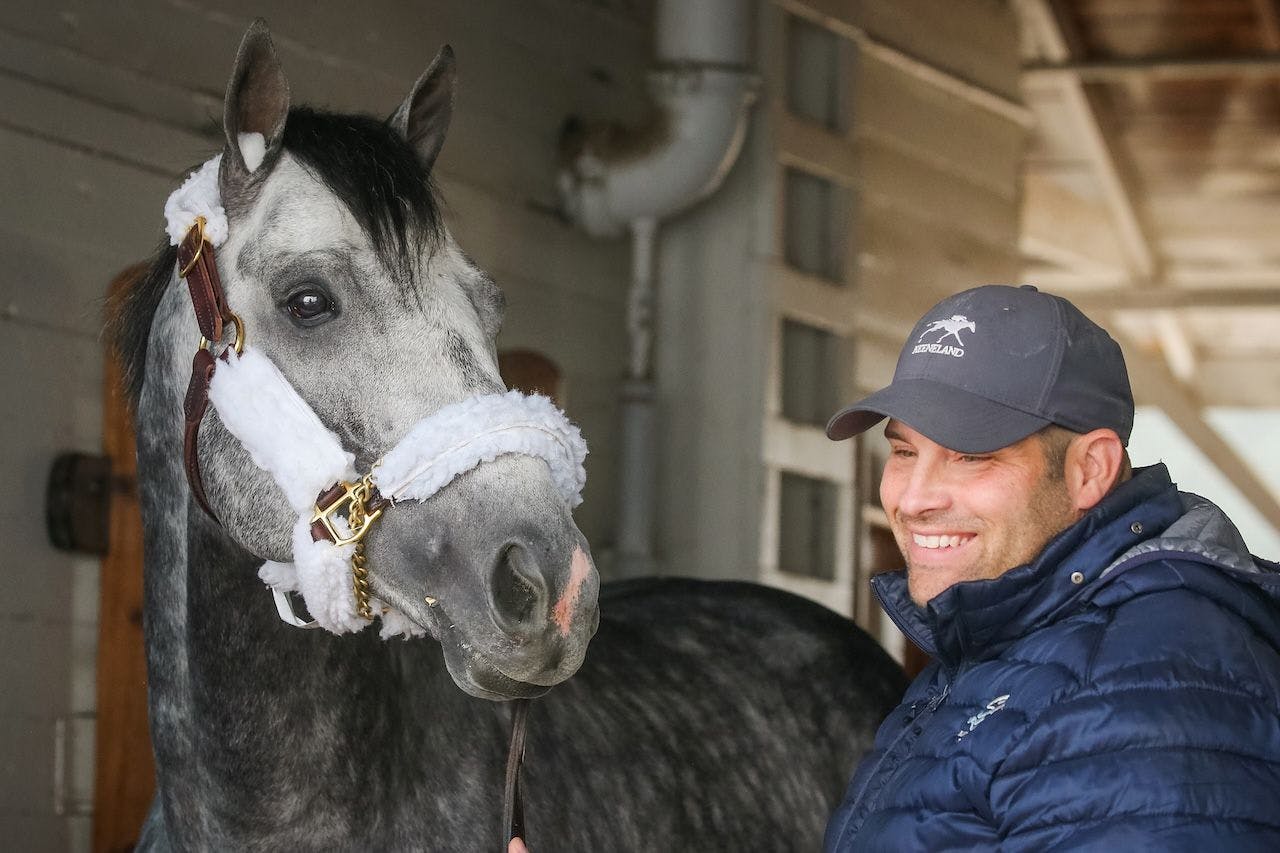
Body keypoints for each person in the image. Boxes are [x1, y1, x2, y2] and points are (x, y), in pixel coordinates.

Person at [823, 284, 1280, 850]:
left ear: (1091, 469)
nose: (913, 499)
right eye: (905, 452)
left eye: (971, 456)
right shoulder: (1012, 637)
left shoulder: (1134, 688)